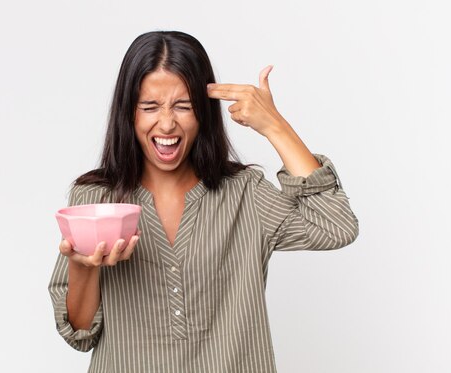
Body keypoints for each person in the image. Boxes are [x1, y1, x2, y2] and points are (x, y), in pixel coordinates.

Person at [48, 30, 359, 373]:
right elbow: (80, 333)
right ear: (128, 113)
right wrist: (83, 266)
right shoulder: (95, 199)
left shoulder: (245, 194)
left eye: (184, 106)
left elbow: (337, 226)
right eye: (150, 107)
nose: (167, 123)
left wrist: (274, 126)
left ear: (205, 111)